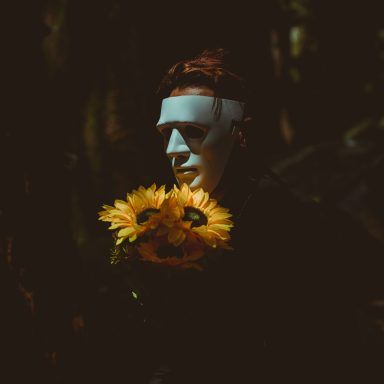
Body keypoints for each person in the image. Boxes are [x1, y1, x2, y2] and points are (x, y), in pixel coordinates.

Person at [146, 48, 370, 383]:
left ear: (241, 133)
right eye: (167, 133)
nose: (174, 150)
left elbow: (321, 348)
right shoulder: (175, 216)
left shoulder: (289, 221)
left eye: (193, 131)